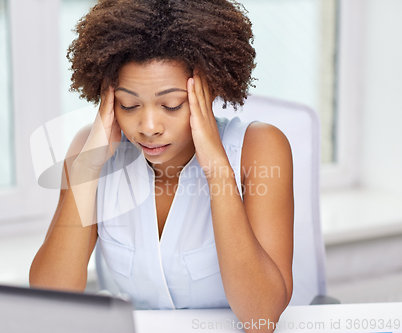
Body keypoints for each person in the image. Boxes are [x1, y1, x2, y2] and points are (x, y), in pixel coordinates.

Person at [30, 0, 294, 331]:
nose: (149, 126)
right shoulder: (92, 153)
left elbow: (262, 318)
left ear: (209, 91)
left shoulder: (258, 150)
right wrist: (87, 171)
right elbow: (51, 302)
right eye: (129, 105)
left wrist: (217, 170)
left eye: (171, 105)